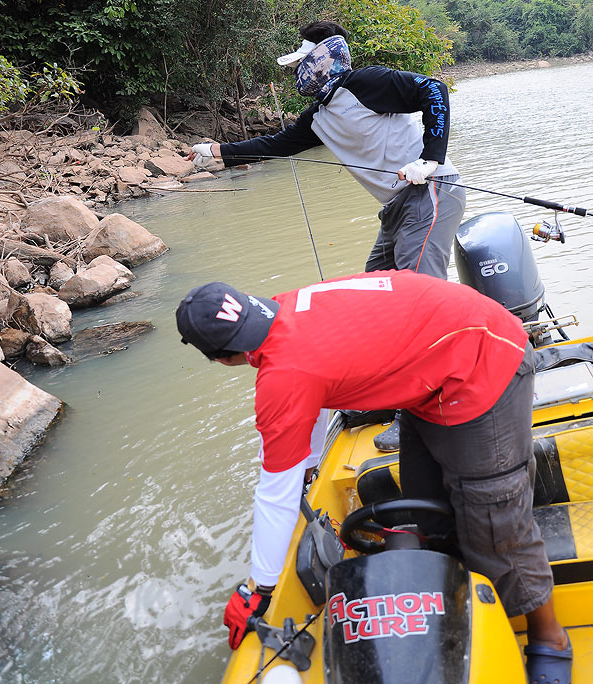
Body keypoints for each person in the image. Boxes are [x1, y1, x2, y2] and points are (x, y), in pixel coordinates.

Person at [176, 271, 572, 682]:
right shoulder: (283, 308)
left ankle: (550, 638)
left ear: (221, 357)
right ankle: (457, 591)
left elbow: (275, 495)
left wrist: (258, 591)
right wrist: (309, 458)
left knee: (494, 522)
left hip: (484, 364)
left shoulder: (283, 374)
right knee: (426, 503)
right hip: (430, 380)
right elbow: (315, 384)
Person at [186, 21, 466, 280]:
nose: (297, 70)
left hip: (431, 189)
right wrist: (215, 151)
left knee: (417, 288)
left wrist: (430, 160)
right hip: (396, 206)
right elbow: (274, 145)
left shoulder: (364, 83)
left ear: (321, 59)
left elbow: (433, 89)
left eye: (301, 62)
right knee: (376, 280)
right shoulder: (318, 118)